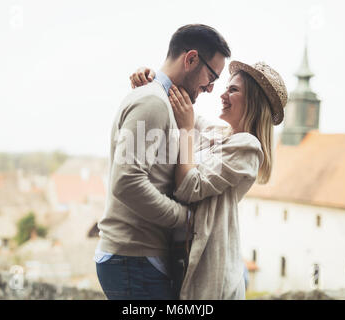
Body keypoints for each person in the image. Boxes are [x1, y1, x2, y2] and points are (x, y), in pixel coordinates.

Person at [95, 24, 231, 300]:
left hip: (138, 259)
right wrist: (187, 219)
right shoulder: (152, 102)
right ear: (191, 59)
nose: (211, 88)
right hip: (134, 259)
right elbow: (127, 183)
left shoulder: (164, 102)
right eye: (211, 75)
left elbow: (220, 134)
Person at [130, 60, 288, 299]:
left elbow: (188, 188)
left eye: (233, 90)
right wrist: (154, 80)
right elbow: (180, 107)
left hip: (212, 279)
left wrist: (185, 130)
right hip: (178, 259)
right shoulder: (217, 133)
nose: (222, 95)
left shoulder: (248, 147)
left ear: (253, 102)